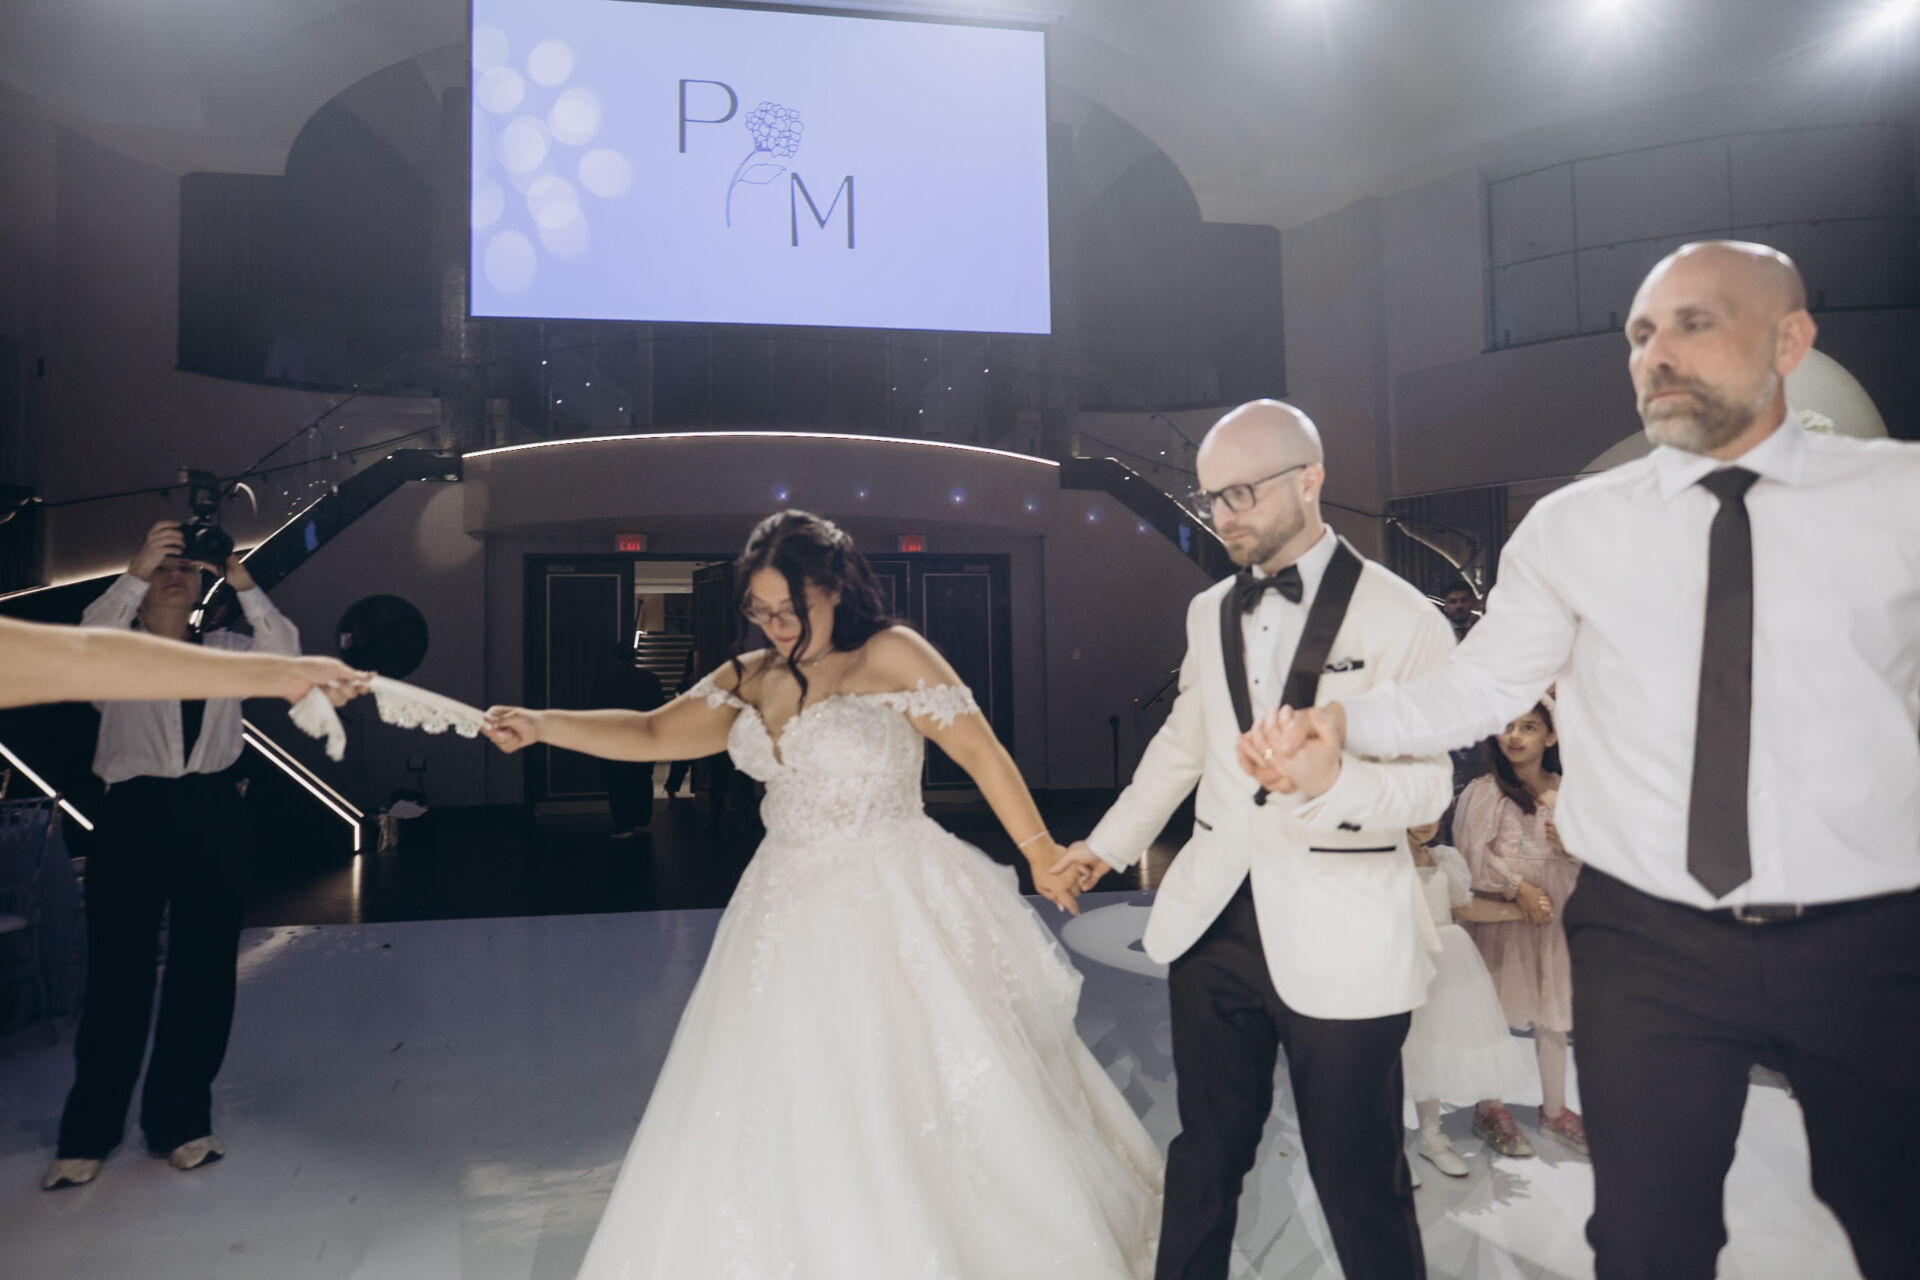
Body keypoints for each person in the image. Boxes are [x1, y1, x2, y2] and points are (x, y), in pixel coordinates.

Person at [1242, 241, 1920, 1280]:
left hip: (1869, 935)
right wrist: (1349, 722)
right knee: (1647, 1238)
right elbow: (1480, 686)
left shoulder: (1898, 499)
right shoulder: (1573, 527)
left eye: (1695, 322)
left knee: (1897, 1217)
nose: (1657, 352)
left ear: (1791, 339)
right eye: (1642, 333)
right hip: (1650, 938)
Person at [483, 510, 1162, 1279]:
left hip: (890, 895)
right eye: (761, 611)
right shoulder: (749, 676)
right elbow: (651, 733)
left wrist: (1039, 851)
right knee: (783, 1083)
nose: (777, 628)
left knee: (910, 1081)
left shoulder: (891, 652)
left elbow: (980, 751)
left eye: (792, 609)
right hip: (782, 903)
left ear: (835, 589)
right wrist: (542, 725)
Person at [1048, 400, 1455, 1280]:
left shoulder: (1405, 618)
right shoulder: (1207, 611)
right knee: (1205, 1153)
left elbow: (1432, 788)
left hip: (1347, 928)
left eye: (1241, 494)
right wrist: (1106, 847)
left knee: (1359, 1178)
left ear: (1311, 480)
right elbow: (1183, 743)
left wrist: (1333, 782)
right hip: (1214, 919)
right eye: (1210, 497)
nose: (1222, 516)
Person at [44, 521, 319, 1190]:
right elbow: (84, 640)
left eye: (187, 569)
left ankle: (180, 1123)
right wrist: (135, 567)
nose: (176, 575)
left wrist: (240, 576)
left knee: (204, 971)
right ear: (141, 587)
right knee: (118, 975)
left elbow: (287, 659)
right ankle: (88, 1136)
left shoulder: (225, 651)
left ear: (202, 586)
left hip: (213, 812)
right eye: (164, 568)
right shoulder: (113, 652)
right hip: (132, 814)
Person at [1449, 699, 1585, 1157]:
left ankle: (1555, 1109)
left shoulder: (1569, 792)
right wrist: (1515, 886)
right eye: (1508, 725)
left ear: (1551, 736)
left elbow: (1595, 860)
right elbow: (1471, 856)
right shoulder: (1486, 792)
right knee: (1494, 1008)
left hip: (1556, 913)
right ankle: (1490, 1106)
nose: (1515, 736)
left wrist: (1574, 846)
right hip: (1504, 914)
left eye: (1529, 727)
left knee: (1552, 1009)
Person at [1401, 820, 1537, 1180]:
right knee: (1395, 1051)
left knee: (1430, 1046)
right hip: (1401, 959)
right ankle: (1386, 1145)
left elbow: (1463, 905)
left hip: (1445, 959)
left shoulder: (1442, 858)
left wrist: (1520, 911)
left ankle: (1431, 1135)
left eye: (1433, 812)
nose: (1427, 822)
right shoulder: (1384, 858)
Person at [592, 642, 665, 836]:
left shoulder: (605, 680)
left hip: (615, 738)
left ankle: (623, 824)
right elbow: (660, 709)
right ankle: (643, 819)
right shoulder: (650, 680)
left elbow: (596, 711)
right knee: (642, 779)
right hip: (643, 737)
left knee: (617, 783)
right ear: (634, 657)